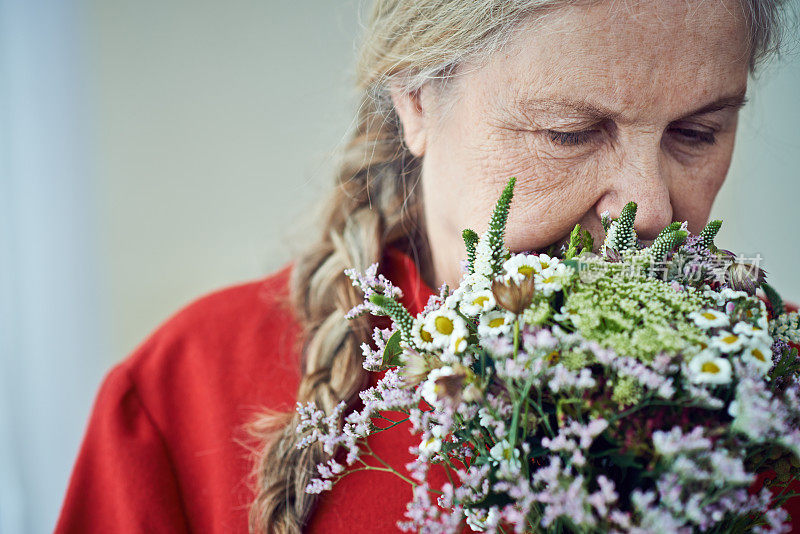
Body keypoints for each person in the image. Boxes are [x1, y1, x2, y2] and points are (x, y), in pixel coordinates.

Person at [56, 0, 797, 533]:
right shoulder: (181, 399)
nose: (651, 210)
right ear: (415, 96)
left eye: (698, 132)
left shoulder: (781, 394)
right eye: (569, 134)